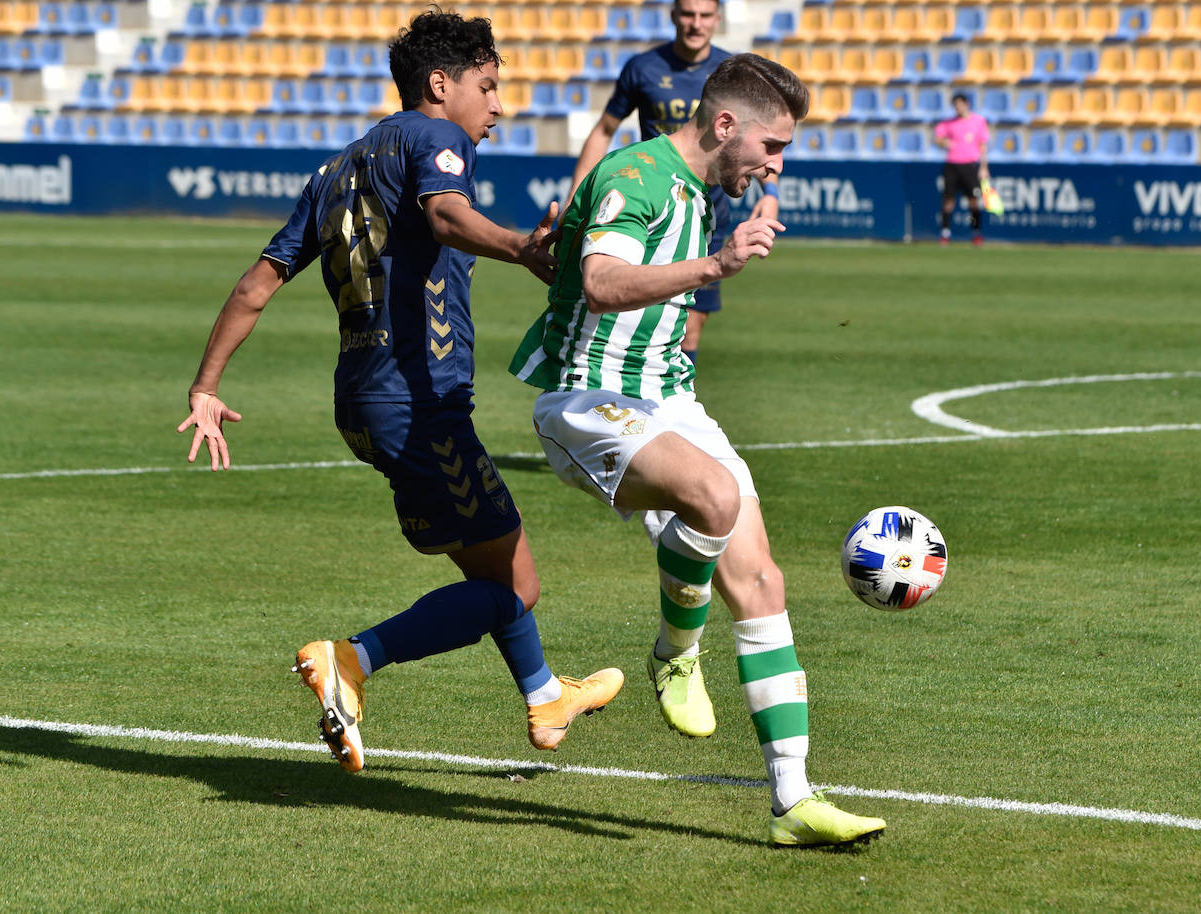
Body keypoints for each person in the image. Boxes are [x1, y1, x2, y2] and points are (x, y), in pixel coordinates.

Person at [176, 9, 622, 773]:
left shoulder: (336, 168)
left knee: (492, 569)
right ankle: (350, 660)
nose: (498, 107)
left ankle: (546, 695)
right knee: (516, 586)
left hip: (361, 402)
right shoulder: (435, 139)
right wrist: (520, 246)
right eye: (487, 87)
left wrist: (205, 385)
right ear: (440, 85)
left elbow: (257, 284)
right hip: (419, 404)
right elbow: (446, 215)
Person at [509, 53, 887, 848]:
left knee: (761, 580)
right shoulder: (636, 176)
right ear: (725, 127)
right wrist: (718, 263)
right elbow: (604, 281)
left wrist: (728, 243)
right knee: (713, 496)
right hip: (587, 401)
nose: (778, 164)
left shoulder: (702, 189)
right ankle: (676, 653)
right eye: (772, 147)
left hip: (670, 399)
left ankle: (793, 800)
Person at [565, 0, 779, 367]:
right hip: (654, 208)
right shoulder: (642, 68)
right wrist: (574, 198)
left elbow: (763, 137)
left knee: (686, 331)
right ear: (673, 17)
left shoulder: (735, 73)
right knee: (634, 311)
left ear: (717, 19)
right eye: (688, 14)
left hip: (706, 215)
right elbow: (604, 130)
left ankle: (671, 398)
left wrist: (770, 192)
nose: (696, 24)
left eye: (705, 15)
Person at [932, 92, 990, 246]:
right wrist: (944, 143)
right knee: (948, 200)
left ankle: (975, 232)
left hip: (970, 165)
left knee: (973, 201)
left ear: (967, 104)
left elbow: (983, 145)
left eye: (959, 104)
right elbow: (937, 137)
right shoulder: (949, 123)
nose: (957, 108)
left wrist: (984, 167)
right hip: (952, 165)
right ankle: (945, 232)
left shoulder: (978, 121)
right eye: (955, 105)